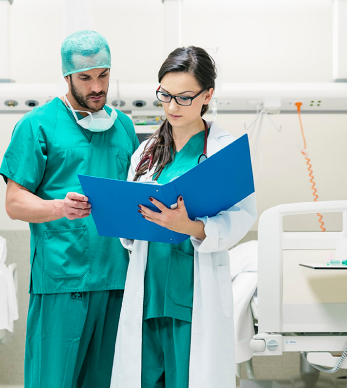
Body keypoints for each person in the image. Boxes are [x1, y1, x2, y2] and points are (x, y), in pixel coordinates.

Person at [110, 46, 257, 388]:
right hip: (148, 290)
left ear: (208, 94)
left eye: (184, 97)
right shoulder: (145, 154)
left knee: (190, 377)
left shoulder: (225, 151)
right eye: (165, 95)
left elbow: (241, 217)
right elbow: (128, 230)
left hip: (192, 295)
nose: (172, 106)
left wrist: (191, 227)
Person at [0, 30, 139, 388]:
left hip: (117, 278)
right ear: (67, 77)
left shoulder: (123, 126)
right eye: (85, 77)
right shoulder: (37, 125)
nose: (97, 86)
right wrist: (59, 207)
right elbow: (14, 203)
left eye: (103, 75)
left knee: (109, 380)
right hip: (64, 278)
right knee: (54, 380)